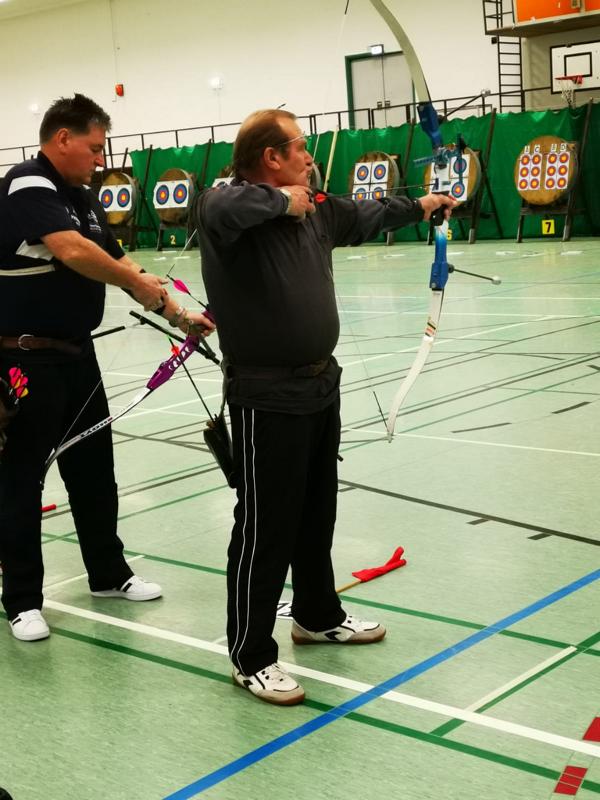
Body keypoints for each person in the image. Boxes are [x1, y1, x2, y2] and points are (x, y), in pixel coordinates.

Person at [194, 108, 456, 705]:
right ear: (271, 157)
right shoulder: (227, 207)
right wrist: (281, 202)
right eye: (300, 147)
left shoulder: (318, 209)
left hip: (319, 386)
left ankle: (316, 616)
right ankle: (249, 654)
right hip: (266, 395)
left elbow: (369, 213)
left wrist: (424, 206)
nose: (310, 157)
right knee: (264, 526)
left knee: (317, 513)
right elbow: (218, 206)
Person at [0, 94, 214, 642]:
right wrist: (136, 282)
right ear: (62, 138)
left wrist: (178, 314)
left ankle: (107, 574)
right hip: (26, 359)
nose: (101, 159)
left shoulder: (83, 198)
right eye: (94, 148)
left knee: (94, 472)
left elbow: (120, 262)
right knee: (22, 479)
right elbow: (72, 251)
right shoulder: (29, 182)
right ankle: (22, 599)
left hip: (77, 356)